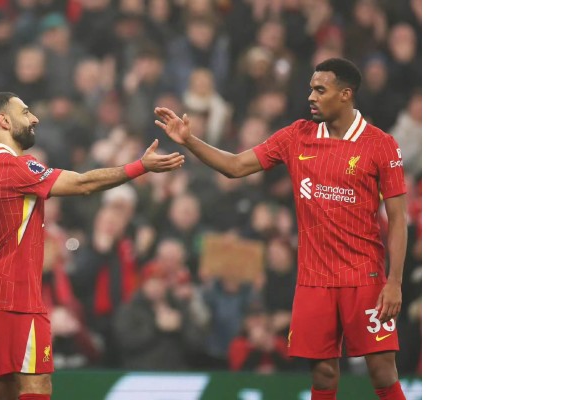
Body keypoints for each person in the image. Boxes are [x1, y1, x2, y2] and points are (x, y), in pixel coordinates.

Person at [154, 58, 409, 400]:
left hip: (365, 277)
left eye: (320, 89)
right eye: (310, 89)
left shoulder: (380, 144)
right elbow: (235, 166)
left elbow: (398, 219)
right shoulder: (297, 136)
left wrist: (394, 282)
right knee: (322, 373)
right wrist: (189, 140)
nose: (311, 96)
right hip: (313, 279)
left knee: (381, 371)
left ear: (346, 94)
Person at [0, 92, 184, 400]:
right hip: (17, 298)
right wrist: (139, 167)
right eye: (25, 111)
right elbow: (82, 183)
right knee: (37, 386)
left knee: (0, 390)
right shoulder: (17, 167)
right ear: (4, 120)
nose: (34, 118)